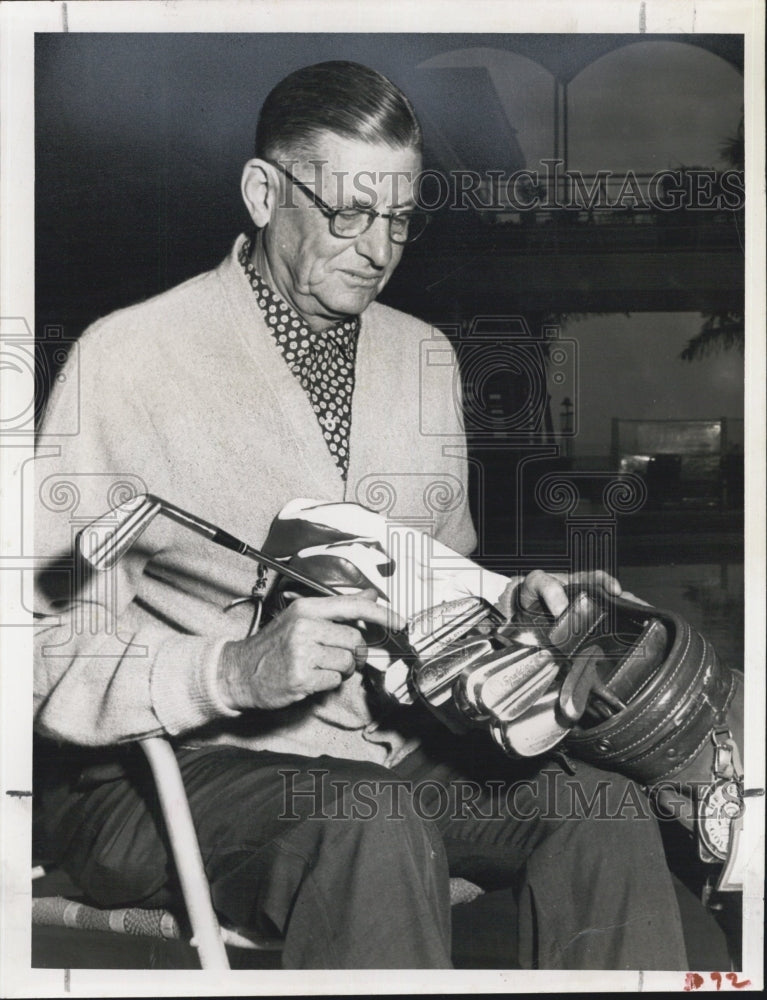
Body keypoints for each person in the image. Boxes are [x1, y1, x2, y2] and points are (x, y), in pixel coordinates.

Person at [33, 60, 723, 970]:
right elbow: (36, 654)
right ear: (261, 191)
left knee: (599, 809)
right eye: (347, 212)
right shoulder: (127, 358)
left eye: (398, 217)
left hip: (378, 763)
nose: (376, 248)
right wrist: (231, 671)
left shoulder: (423, 359)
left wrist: (509, 619)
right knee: (376, 824)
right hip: (156, 773)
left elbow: (433, 597)